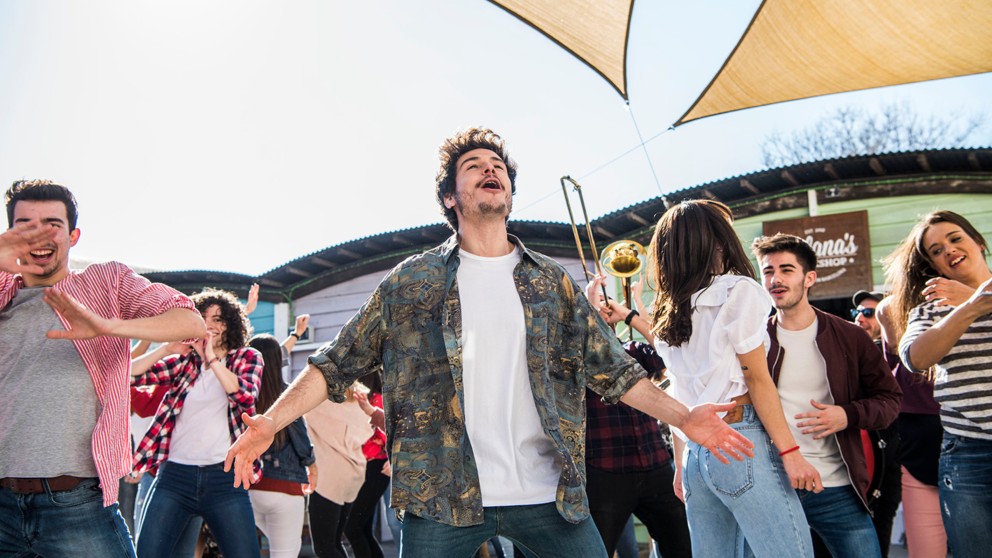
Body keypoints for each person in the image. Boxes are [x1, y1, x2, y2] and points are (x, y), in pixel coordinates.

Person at [225, 127, 753, 558]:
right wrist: (269, 422)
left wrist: (684, 417)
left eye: (497, 165)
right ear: (452, 198)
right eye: (474, 166)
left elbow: (613, 369)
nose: (490, 169)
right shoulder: (413, 283)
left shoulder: (551, 284)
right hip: (441, 499)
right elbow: (334, 364)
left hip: (551, 496)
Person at [0, 179, 205, 557]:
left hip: (77, 504)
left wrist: (107, 327)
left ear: (73, 236)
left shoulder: (106, 282)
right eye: (25, 225)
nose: (37, 236)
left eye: (51, 224)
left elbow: (190, 322)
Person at [633, 200, 818, 557]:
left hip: (695, 457)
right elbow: (757, 378)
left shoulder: (670, 308)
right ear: (717, 240)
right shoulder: (740, 290)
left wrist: (680, 462)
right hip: (739, 439)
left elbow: (680, 391)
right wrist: (791, 451)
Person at [751, 234, 902, 558]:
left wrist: (847, 414)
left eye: (787, 269)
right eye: (768, 271)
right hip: (774, 489)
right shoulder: (752, 340)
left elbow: (890, 399)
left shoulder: (850, 336)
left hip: (838, 490)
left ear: (810, 278)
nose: (775, 279)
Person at [886, 210, 992, 558]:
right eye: (935, 250)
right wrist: (970, 307)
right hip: (968, 453)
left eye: (955, 238)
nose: (947, 249)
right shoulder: (930, 311)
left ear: (979, 242)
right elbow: (915, 357)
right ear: (935, 267)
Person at [131, 288, 263, 558]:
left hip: (224, 478)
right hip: (175, 477)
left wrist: (212, 358)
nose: (210, 325)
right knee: (147, 553)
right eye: (203, 318)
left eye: (219, 319)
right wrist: (167, 348)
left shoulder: (246, 358)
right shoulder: (184, 364)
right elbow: (132, 375)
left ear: (231, 324)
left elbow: (245, 397)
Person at [583, 275, 692, 558]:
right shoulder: (578, 351)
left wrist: (629, 314)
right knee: (597, 552)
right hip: (605, 471)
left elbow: (671, 354)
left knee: (682, 547)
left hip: (656, 467)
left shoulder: (633, 350)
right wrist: (587, 312)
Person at [248, 333, 317, 558]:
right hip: (284, 488)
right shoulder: (287, 396)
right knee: (285, 554)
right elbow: (300, 440)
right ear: (279, 361)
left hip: (248, 489)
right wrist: (311, 465)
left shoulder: (244, 395)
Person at [850, 290, 903, 557]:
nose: (861, 317)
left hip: (894, 462)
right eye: (857, 312)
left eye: (869, 312)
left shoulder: (895, 354)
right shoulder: (851, 352)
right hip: (859, 464)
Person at [306, 381, 378, 558]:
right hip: (351, 474)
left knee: (324, 547)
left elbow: (296, 413)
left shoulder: (319, 404)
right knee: (335, 542)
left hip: (327, 476)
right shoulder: (356, 399)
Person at [344, 371, 392, 558]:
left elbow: (387, 433)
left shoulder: (376, 400)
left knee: (353, 528)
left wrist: (392, 459)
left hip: (377, 467)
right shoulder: (360, 401)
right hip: (362, 468)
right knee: (361, 529)